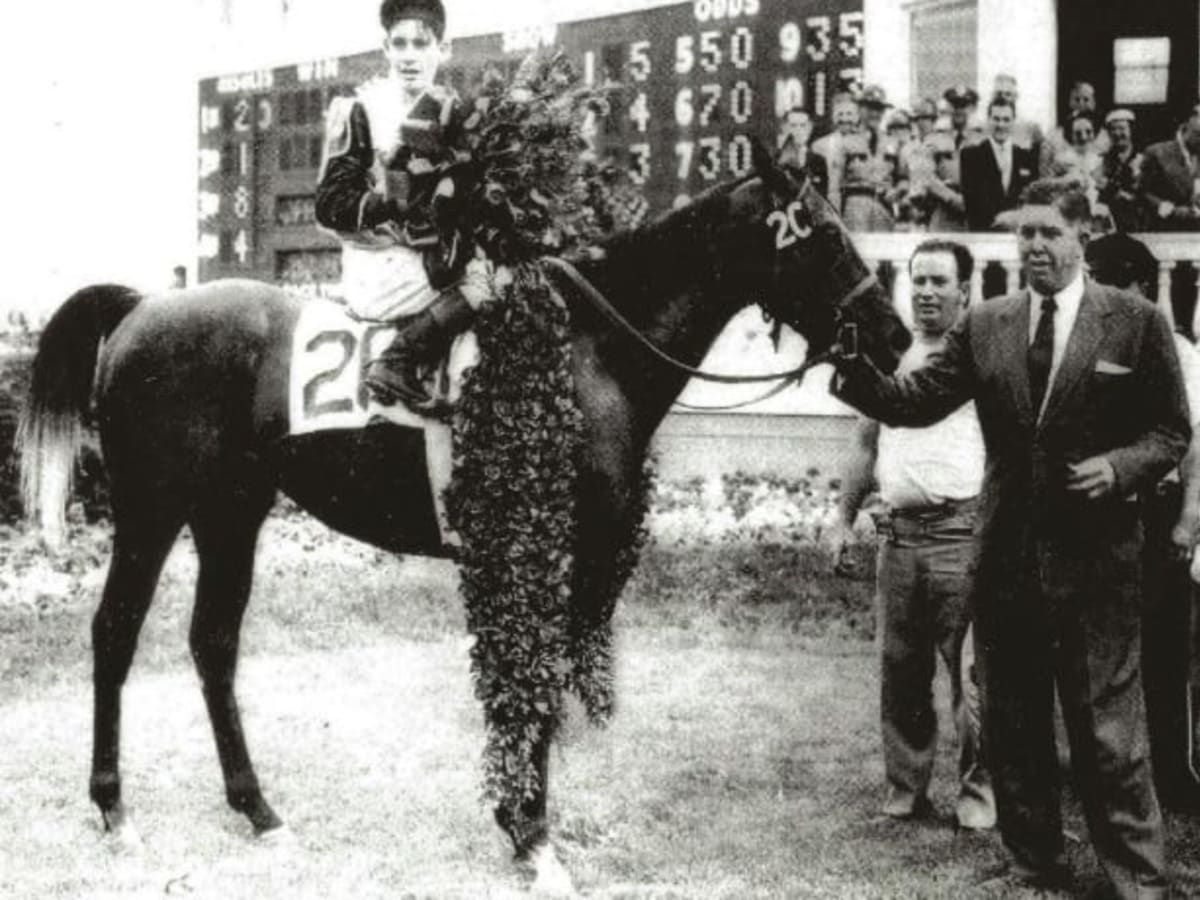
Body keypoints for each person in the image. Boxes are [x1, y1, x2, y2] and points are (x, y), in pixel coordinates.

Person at [831, 178, 1187, 899]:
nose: (1033, 247)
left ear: (1083, 235)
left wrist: (1119, 469)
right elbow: (914, 400)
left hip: (1097, 564)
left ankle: (1140, 880)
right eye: (1024, 233)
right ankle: (1035, 868)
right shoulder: (987, 323)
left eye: (1049, 233)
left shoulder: (1135, 322)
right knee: (1016, 728)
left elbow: (1171, 430)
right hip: (1005, 564)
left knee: (1110, 735)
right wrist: (849, 367)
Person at [834, 239, 994, 829]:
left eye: (939, 282)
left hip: (962, 535)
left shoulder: (982, 355)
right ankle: (906, 791)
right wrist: (841, 519)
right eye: (918, 280)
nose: (926, 292)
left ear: (965, 291)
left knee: (972, 679)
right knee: (901, 673)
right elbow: (863, 444)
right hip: (897, 538)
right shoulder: (888, 355)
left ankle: (978, 796)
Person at [315, 0, 491, 409]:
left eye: (421, 44)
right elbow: (329, 205)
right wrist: (391, 200)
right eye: (400, 44)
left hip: (430, 262)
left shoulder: (452, 112)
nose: (409, 56)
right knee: (489, 283)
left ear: (442, 49)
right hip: (381, 268)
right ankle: (397, 361)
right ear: (386, 49)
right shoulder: (362, 110)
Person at [1086, 232, 1200, 811]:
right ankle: (1106, 773)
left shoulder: (1176, 349)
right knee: (1100, 648)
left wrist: (1189, 518)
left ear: (1135, 285)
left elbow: (1195, 441)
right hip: (1097, 510)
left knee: (1162, 648)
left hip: (1158, 509)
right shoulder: (1082, 342)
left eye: (1109, 282)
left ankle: (1173, 777)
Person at [960, 97, 1037, 231]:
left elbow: (1032, 198)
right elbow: (971, 201)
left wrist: (1015, 218)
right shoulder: (970, 156)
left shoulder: (1026, 157)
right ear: (988, 120)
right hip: (984, 233)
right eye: (996, 119)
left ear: (1013, 121)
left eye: (1006, 119)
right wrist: (1000, 220)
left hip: (1017, 233)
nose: (1001, 125)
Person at [1140, 103, 1200, 232]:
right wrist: (1170, 210)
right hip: (1163, 233)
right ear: (1188, 124)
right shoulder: (1156, 152)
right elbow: (1141, 193)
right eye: (1199, 135)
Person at [1097, 109, 1145, 232]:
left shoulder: (1143, 158)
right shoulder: (1102, 160)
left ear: (1131, 131)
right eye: (1113, 129)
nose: (1117, 133)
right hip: (1109, 222)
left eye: (1122, 128)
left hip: (1137, 222)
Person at [813, 92, 862, 212]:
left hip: (857, 206)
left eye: (849, 114)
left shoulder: (864, 144)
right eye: (840, 114)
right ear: (833, 117)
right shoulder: (820, 145)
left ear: (857, 116)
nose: (844, 119)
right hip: (831, 203)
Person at [776, 106, 829, 199]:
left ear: (810, 128)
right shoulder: (777, 160)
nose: (798, 130)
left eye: (803, 125)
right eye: (793, 125)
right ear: (785, 128)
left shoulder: (819, 161)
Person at [942, 85, 982, 151]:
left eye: (963, 106)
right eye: (955, 106)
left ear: (972, 109)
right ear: (948, 107)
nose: (959, 110)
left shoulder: (980, 140)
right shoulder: (939, 137)